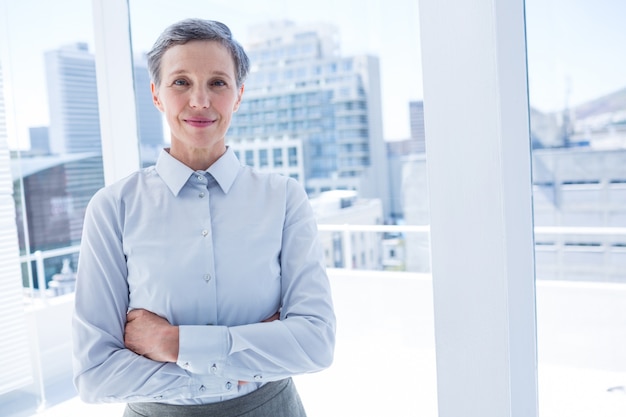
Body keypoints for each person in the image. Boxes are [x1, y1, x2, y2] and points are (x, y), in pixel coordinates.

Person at [72, 18, 336, 417]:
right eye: (180, 82)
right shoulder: (113, 207)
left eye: (218, 82)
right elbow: (95, 373)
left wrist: (173, 344)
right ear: (157, 95)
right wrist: (247, 355)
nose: (200, 100)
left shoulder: (283, 198)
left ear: (239, 94)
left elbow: (315, 342)